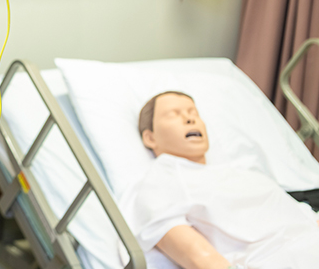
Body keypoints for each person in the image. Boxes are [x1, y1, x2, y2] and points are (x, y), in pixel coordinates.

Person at [123, 91, 319, 269]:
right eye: (174, 114)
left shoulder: (242, 173)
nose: (190, 119)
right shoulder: (162, 181)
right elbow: (202, 260)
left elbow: (306, 219)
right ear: (150, 138)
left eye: (194, 113)